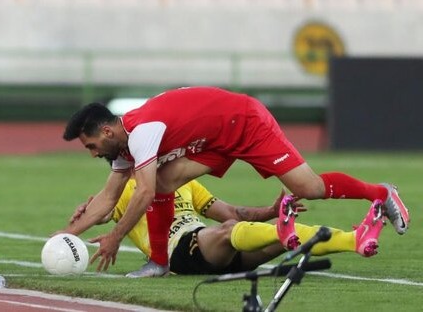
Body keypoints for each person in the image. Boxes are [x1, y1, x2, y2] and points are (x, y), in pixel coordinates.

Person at [61, 86, 410, 277]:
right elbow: (107, 200)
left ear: (107, 131)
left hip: (244, 122)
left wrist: (115, 238)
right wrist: (63, 238)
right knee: (167, 180)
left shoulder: (141, 133)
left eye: (91, 146)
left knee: (309, 188)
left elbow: (145, 192)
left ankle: (382, 192)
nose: (92, 153)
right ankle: (159, 262)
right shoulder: (122, 148)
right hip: (213, 141)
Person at [70, 180, 386, 276]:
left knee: (282, 234)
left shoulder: (184, 182)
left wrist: (270, 210)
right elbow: (95, 216)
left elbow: (230, 211)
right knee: (230, 229)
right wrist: (83, 216)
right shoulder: (123, 188)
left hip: (211, 246)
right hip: (179, 254)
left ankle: (354, 240)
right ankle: (280, 228)